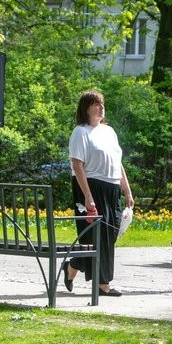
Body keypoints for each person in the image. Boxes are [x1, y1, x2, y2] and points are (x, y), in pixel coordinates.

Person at [63, 90, 134, 297]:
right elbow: (77, 165)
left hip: (111, 187)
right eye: (96, 103)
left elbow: (117, 163)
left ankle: (73, 265)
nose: (101, 107)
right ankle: (103, 285)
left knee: (109, 235)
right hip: (90, 185)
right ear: (86, 108)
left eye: (102, 103)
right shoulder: (81, 132)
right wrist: (87, 196)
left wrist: (127, 190)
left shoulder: (109, 131)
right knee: (97, 236)